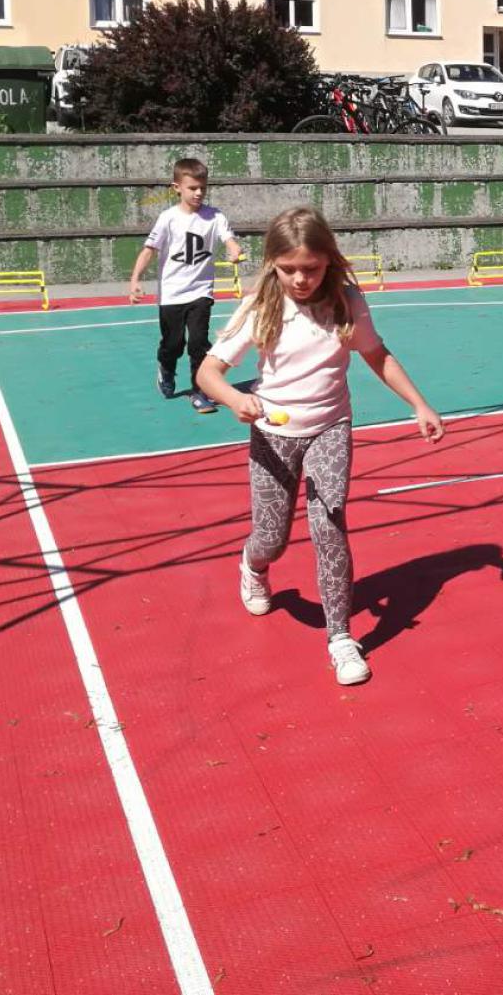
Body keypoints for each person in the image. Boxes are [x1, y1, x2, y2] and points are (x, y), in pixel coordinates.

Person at [196, 206, 444, 686]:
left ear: (328, 259)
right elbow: (209, 372)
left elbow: (376, 354)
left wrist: (420, 404)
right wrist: (234, 399)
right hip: (273, 434)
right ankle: (253, 565)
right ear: (272, 264)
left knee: (330, 525)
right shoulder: (261, 305)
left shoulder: (347, 302)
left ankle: (340, 638)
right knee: (272, 538)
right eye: (288, 269)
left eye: (310, 268)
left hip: (330, 427)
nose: (299, 279)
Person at [128, 158, 244, 412]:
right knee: (174, 344)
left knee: (198, 343)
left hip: (201, 292)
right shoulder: (168, 218)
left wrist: (234, 249)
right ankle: (166, 368)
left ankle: (200, 391)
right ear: (177, 188)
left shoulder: (215, 216)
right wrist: (135, 280)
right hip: (172, 294)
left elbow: (229, 238)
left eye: (203, 187)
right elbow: (149, 250)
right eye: (192, 188)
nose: (199, 193)